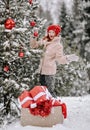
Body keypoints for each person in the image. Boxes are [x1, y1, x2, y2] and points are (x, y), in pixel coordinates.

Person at [30, 24, 79, 97]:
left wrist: (68, 58)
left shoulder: (58, 45)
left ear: (56, 33)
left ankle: (56, 106)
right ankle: (47, 107)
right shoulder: (45, 40)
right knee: (43, 93)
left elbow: (60, 59)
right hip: (41, 71)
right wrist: (35, 36)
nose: (51, 34)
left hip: (49, 73)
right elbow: (33, 46)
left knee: (50, 92)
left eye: (53, 32)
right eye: (49, 32)